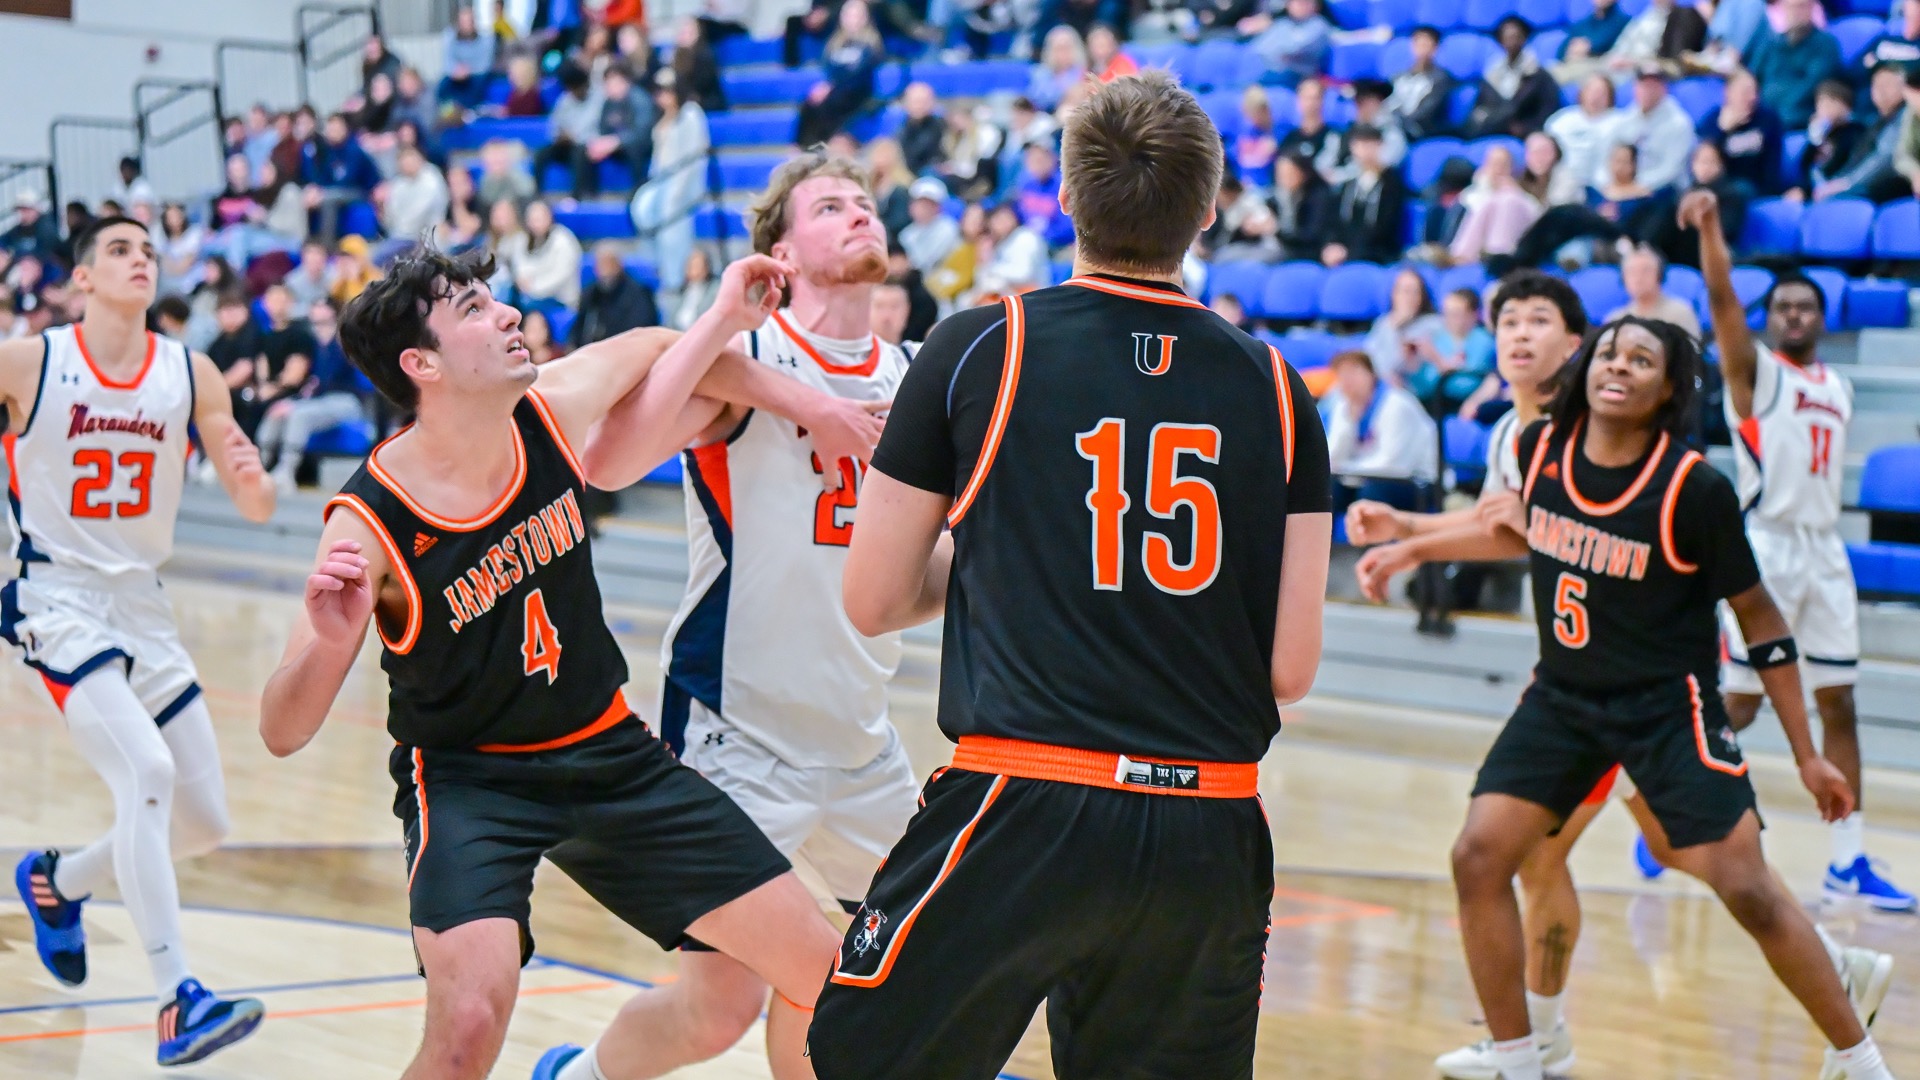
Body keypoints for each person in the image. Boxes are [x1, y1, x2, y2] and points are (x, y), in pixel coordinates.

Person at [807, 69, 1332, 1079]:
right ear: (1209, 208)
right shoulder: (1277, 387)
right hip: (1209, 823)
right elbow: (1291, 668)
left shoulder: (976, 347)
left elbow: (872, 601)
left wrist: (1008, 548)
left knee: (859, 1057)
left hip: (1026, 802)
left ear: (1063, 196)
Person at [260, 244, 882, 1080]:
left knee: (835, 974)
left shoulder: (550, 406)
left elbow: (668, 344)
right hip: (472, 781)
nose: (509, 313)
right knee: (470, 1022)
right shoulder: (367, 523)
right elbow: (282, 730)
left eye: (495, 296)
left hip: (610, 755)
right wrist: (332, 642)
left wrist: (810, 403)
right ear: (422, 364)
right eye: (474, 310)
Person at [1352, 279, 1895, 1079]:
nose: (1619, 365)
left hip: (1664, 708)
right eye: (1611, 351)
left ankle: (1858, 1054)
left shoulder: (1693, 489)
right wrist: (1409, 541)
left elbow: (1763, 620)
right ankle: (1522, 1055)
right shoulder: (1539, 449)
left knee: (1738, 883)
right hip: (1564, 699)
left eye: (1641, 359)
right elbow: (1515, 531)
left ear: (1670, 388)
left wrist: (1807, 752)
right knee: (1485, 855)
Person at [542, 150, 923, 1080]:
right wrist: (719, 319)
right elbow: (605, 462)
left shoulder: (918, 373)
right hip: (736, 736)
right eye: (830, 206)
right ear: (781, 251)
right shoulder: (747, 360)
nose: (859, 214)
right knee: (722, 1008)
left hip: (863, 737)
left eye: (865, 203)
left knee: (894, 969)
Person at [5, 216, 276, 1065]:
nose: (140, 260)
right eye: (120, 250)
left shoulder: (189, 373)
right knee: (147, 774)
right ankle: (176, 999)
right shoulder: (29, 361)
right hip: (58, 597)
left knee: (202, 821)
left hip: (144, 606)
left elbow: (255, 499)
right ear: (80, 278)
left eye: (150, 251)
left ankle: (58, 884)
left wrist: (247, 474)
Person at [1680, 188, 1917, 915]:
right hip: (1769, 554)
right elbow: (1721, 298)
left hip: (1824, 554)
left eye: (1804, 307)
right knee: (1742, 710)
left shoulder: (1839, 387)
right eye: (1781, 306)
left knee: (1839, 702)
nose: (1792, 314)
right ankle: (1673, 810)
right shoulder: (1757, 377)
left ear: (1822, 317)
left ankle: (1847, 861)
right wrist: (1714, 225)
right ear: (1769, 319)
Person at [254, 297, 367, 489]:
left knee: (299, 414)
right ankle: (259, 466)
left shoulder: (345, 341)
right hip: (318, 400)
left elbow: (330, 380)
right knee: (277, 410)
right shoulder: (312, 343)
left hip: (345, 400)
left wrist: (302, 398)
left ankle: (286, 471)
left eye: (323, 309)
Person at [1326, 349, 1439, 514]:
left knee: (1370, 496)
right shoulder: (1343, 406)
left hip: (1418, 481)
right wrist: (1348, 422)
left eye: (1353, 371)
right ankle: (1325, 540)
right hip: (1366, 476)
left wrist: (1347, 470)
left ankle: (1371, 540)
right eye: (1342, 375)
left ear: (1371, 374)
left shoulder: (1397, 404)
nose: (1347, 380)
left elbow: (1393, 466)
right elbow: (1333, 458)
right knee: (1328, 488)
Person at [633, 70, 711, 294]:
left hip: (684, 181)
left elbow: (695, 155)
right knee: (642, 210)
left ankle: (676, 280)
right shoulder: (662, 117)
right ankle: (660, 270)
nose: (662, 98)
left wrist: (677, 192)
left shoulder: (691, 114)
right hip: (661, 180)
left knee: (672, 226)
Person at [1801, 69, 1906, 204]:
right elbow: (1806, 165)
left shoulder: (1856, 131)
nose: (1881, 92)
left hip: (1880, 192)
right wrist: (1816, 137)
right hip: (1848, 185)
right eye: (1876, 85)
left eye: (1887, 85)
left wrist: (1846, 183)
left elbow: (1883, 160)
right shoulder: (1876, 124)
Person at [1742, 0, 1841, 130]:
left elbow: (1814, 84)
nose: (1796, 13)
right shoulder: (1771, 44)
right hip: (1764, 118)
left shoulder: (1825, 44)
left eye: (1801, 7)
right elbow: (1752, 77)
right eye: (1791, 8)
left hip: (1798, 117)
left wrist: (1775, 114)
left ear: (1811, 8)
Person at [797, 0, 884, 147]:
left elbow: (861, 75)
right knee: (810, 102)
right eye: (849, 15)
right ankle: (801, 146)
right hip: (835, 90)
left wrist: (832, 86)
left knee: (833, 102)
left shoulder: (872, 44)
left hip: (858, 92)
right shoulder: (834, 44)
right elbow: (830, 72)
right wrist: (827, 87)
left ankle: (825, 144)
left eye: (857, 15)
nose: (852, 20)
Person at [1594, 65, 1694, 192]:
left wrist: (1636, 187)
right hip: (1623, 187)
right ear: (1635, 88)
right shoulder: (1624, 120)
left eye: (1653, 86)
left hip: (1662, 191)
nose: (1648, 91)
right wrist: (1607, 184)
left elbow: (1671, 170)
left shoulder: (1679, 124)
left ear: (1664, 89)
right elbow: (1604, 159)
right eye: (1644, 85)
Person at [1322, 124, 1407, 266]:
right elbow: (1334, 221)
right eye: (1360, 144)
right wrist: (1333, 244)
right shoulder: (1348, 184)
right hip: (1346, 249)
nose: (1365, 150)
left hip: (1378, 252)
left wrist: (1350, 250)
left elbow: (1386, 227)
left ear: (1380, 146)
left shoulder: (1392, 184)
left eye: (1370, 144)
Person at [1465, 17, 1561, 140]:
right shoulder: (1492, 75)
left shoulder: (1538, 75)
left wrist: (1526, 128)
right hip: (1492, 130)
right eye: (1506, 37)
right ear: (1500, 41)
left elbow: (1548, 109)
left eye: (1516, 36)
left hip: (1525, 134)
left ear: (1524, 39)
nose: (1511, 42)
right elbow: (1480, 108)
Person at [1450, 145, 1546, 265]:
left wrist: (1514, 191)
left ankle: (1495, 256)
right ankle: (1461, 258)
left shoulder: (1520, 196)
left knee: (1508, 200)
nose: (1498, 169)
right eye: (1494, 164)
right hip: (1476, 254)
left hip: (1512, 252)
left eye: (1504, 165)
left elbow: (1537, 214)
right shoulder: (1470, 194)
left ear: (1512, 169)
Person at [1696, 68, 1781, 195]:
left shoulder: (1767, 120)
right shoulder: (1713, 120)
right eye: (1745, 92)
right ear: (1728, 93)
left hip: (1750, 184)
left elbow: (1772, 165)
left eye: (1754, 92)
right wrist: (1723, 131)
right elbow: (1704, 159)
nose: (1752, 97)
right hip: (1715, 183)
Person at [534, 63, 607, 197]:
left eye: (578, 88)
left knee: (579, 151)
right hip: (567, 145)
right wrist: (560, 136)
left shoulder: (600, 97)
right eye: (572, 89)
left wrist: (575, 137)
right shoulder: (564, 100)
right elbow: (555, 127)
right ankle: (536, 193)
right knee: (541, 152)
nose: (575, 92)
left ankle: (577, 195)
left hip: (590, 146)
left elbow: (598, 129)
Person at [570, 242, 660, 349]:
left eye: (609, 263)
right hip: (593, 353)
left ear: (619, 264)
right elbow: (577, 330)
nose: (604, 270)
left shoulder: (639, 293)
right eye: (600, 264)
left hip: (626, 351)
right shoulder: (591, 293)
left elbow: (642, 330)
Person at [1364, 267, 1443, 379]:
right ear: (1394, 294)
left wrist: (1396, 329)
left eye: (1415, 292)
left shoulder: (1434, 324)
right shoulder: (1383, 323)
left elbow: (1399, 367)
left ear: (1422, 297)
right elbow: (1369, 360)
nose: (1409, 298)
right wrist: (1393, 325)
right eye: (1405, 291)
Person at [1604, 245, 1699, 336]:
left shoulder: (1681, 313)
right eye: (1632, 272)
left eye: (1646, 271)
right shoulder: (1615, 319)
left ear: (1660, 275)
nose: (1638, 278)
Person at [1388, 25, 1457, 143]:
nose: (1421, 50)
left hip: (1416, 129)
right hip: (1393, 124)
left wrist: (1398, 119)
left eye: (1426, 45)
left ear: (1435, 48)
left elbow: (1424, 114)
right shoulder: (1399, 77)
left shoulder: (1441, 79)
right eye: (1418, 44)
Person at [1249, 0, 1332, 88]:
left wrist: (1279, 51)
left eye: (1305, 2)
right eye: (1295, 2)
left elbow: (1295, 49)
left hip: (1301, 77)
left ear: (1315, 5)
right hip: (1274, 72)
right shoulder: (1282, 24)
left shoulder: (1319, 25)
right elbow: (1261, 48)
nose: (1300, 6)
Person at [378, 145, 451, 241]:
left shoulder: (431, 177)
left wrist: (403, 230)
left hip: (429, 233)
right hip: (399, 236)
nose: (408, 163)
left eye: (411, 158)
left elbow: (423, 210)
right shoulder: (398, 184)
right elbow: (390, 218)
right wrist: (382, 208)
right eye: (404, 160)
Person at [438, 3, 496, 114]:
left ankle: (469, 111)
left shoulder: (487, 40)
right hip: (456, 75)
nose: (467, 25)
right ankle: (449, 111)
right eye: (463, 22)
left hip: (476, 75)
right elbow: (447, 61)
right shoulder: (449, 37)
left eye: (469, 21)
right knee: (442, 85)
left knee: (479, 82)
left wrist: (468, 71)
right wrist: (456, 70)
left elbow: (485, 64)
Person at [899, 176, 961, 272]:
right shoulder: (906, 233)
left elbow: (926, 262)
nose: (921, 207)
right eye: (919, 202)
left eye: (928, 203)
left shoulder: (949, 228)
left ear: (938, 207)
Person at [899, 82, 946, 176]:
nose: (920, 106)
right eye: (916, 101)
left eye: (924, 101)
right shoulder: (900, 131)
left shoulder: (942, 127)